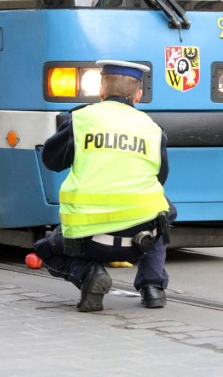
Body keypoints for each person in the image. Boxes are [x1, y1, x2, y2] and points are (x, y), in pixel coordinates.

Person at [34, 60, 177, 313]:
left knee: (45, 249)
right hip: (138, 240)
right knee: (164, 211)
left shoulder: (80, 120)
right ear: (138, 96)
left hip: (86, 239)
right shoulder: (153, 130)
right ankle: (152, 287)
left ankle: (88, 273)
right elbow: (160, 178)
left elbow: (50, 161)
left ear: (101, 91)